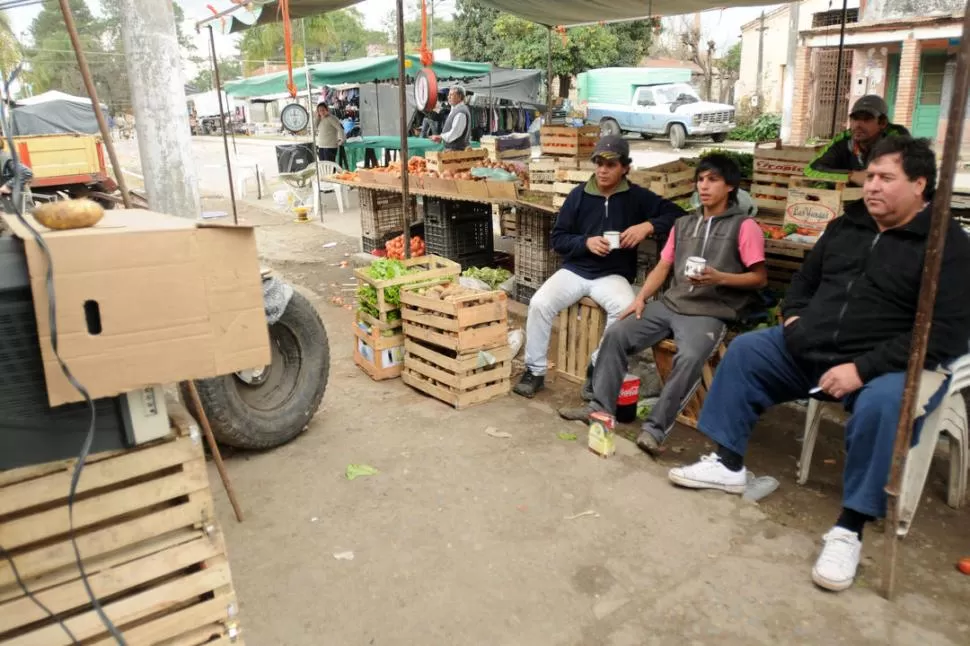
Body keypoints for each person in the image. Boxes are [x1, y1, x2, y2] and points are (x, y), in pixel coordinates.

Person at [667, 136, 970, 593]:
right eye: (869, 176)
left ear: (920, 185)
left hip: (884, 365)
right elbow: (804, 284)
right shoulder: (847, 226)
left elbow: (945, 333)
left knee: (886, 406)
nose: (872, 187)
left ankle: (850, 527)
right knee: (748, 352)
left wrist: (862, 369)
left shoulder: (946, 246)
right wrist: (792, 321)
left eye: (886, 178)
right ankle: (728, 464)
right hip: (811, 346)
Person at [558, 154, 767, 454]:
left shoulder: (744, 227)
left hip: (710, 312)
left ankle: (655, 430)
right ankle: (600, 409)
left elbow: (758, 278)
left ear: (731, 186)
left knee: (690, 357)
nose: (704, 186)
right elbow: (663, 267)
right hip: (671, 304)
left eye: (713, 180)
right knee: (618, 333)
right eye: (701, 179)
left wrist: (720, 277)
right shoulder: (683, 224)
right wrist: (641, 298)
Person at [513, 135, 682, 398]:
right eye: (599, 163)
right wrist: (585, 243)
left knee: (625, 310)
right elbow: (557, 238)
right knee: (539, 304)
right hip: (574, 270)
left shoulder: (637, 198)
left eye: (611, 164)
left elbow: (677, 214)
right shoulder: (578, 195)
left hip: (612, 275)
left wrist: (647, 226)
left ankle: (597, 366)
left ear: (625, 167)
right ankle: (534, 371)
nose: (603, 170)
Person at [805, 94, 909, 186]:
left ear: (882, 123)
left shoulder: (897, 140)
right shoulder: (844, 139)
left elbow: (902, 175)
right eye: (855, 118)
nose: (858, 125)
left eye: (866, 119)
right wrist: (851, 176)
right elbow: (811, 170)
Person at [431, 87, 470, 151]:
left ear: (459, 97)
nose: (448, 97)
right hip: (453, 151)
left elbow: (456, 133)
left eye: (451, 95)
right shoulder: (456, 109)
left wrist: (441, 137)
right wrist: (441, 138)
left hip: (456, 152)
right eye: (448, 95)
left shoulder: (461, 112)